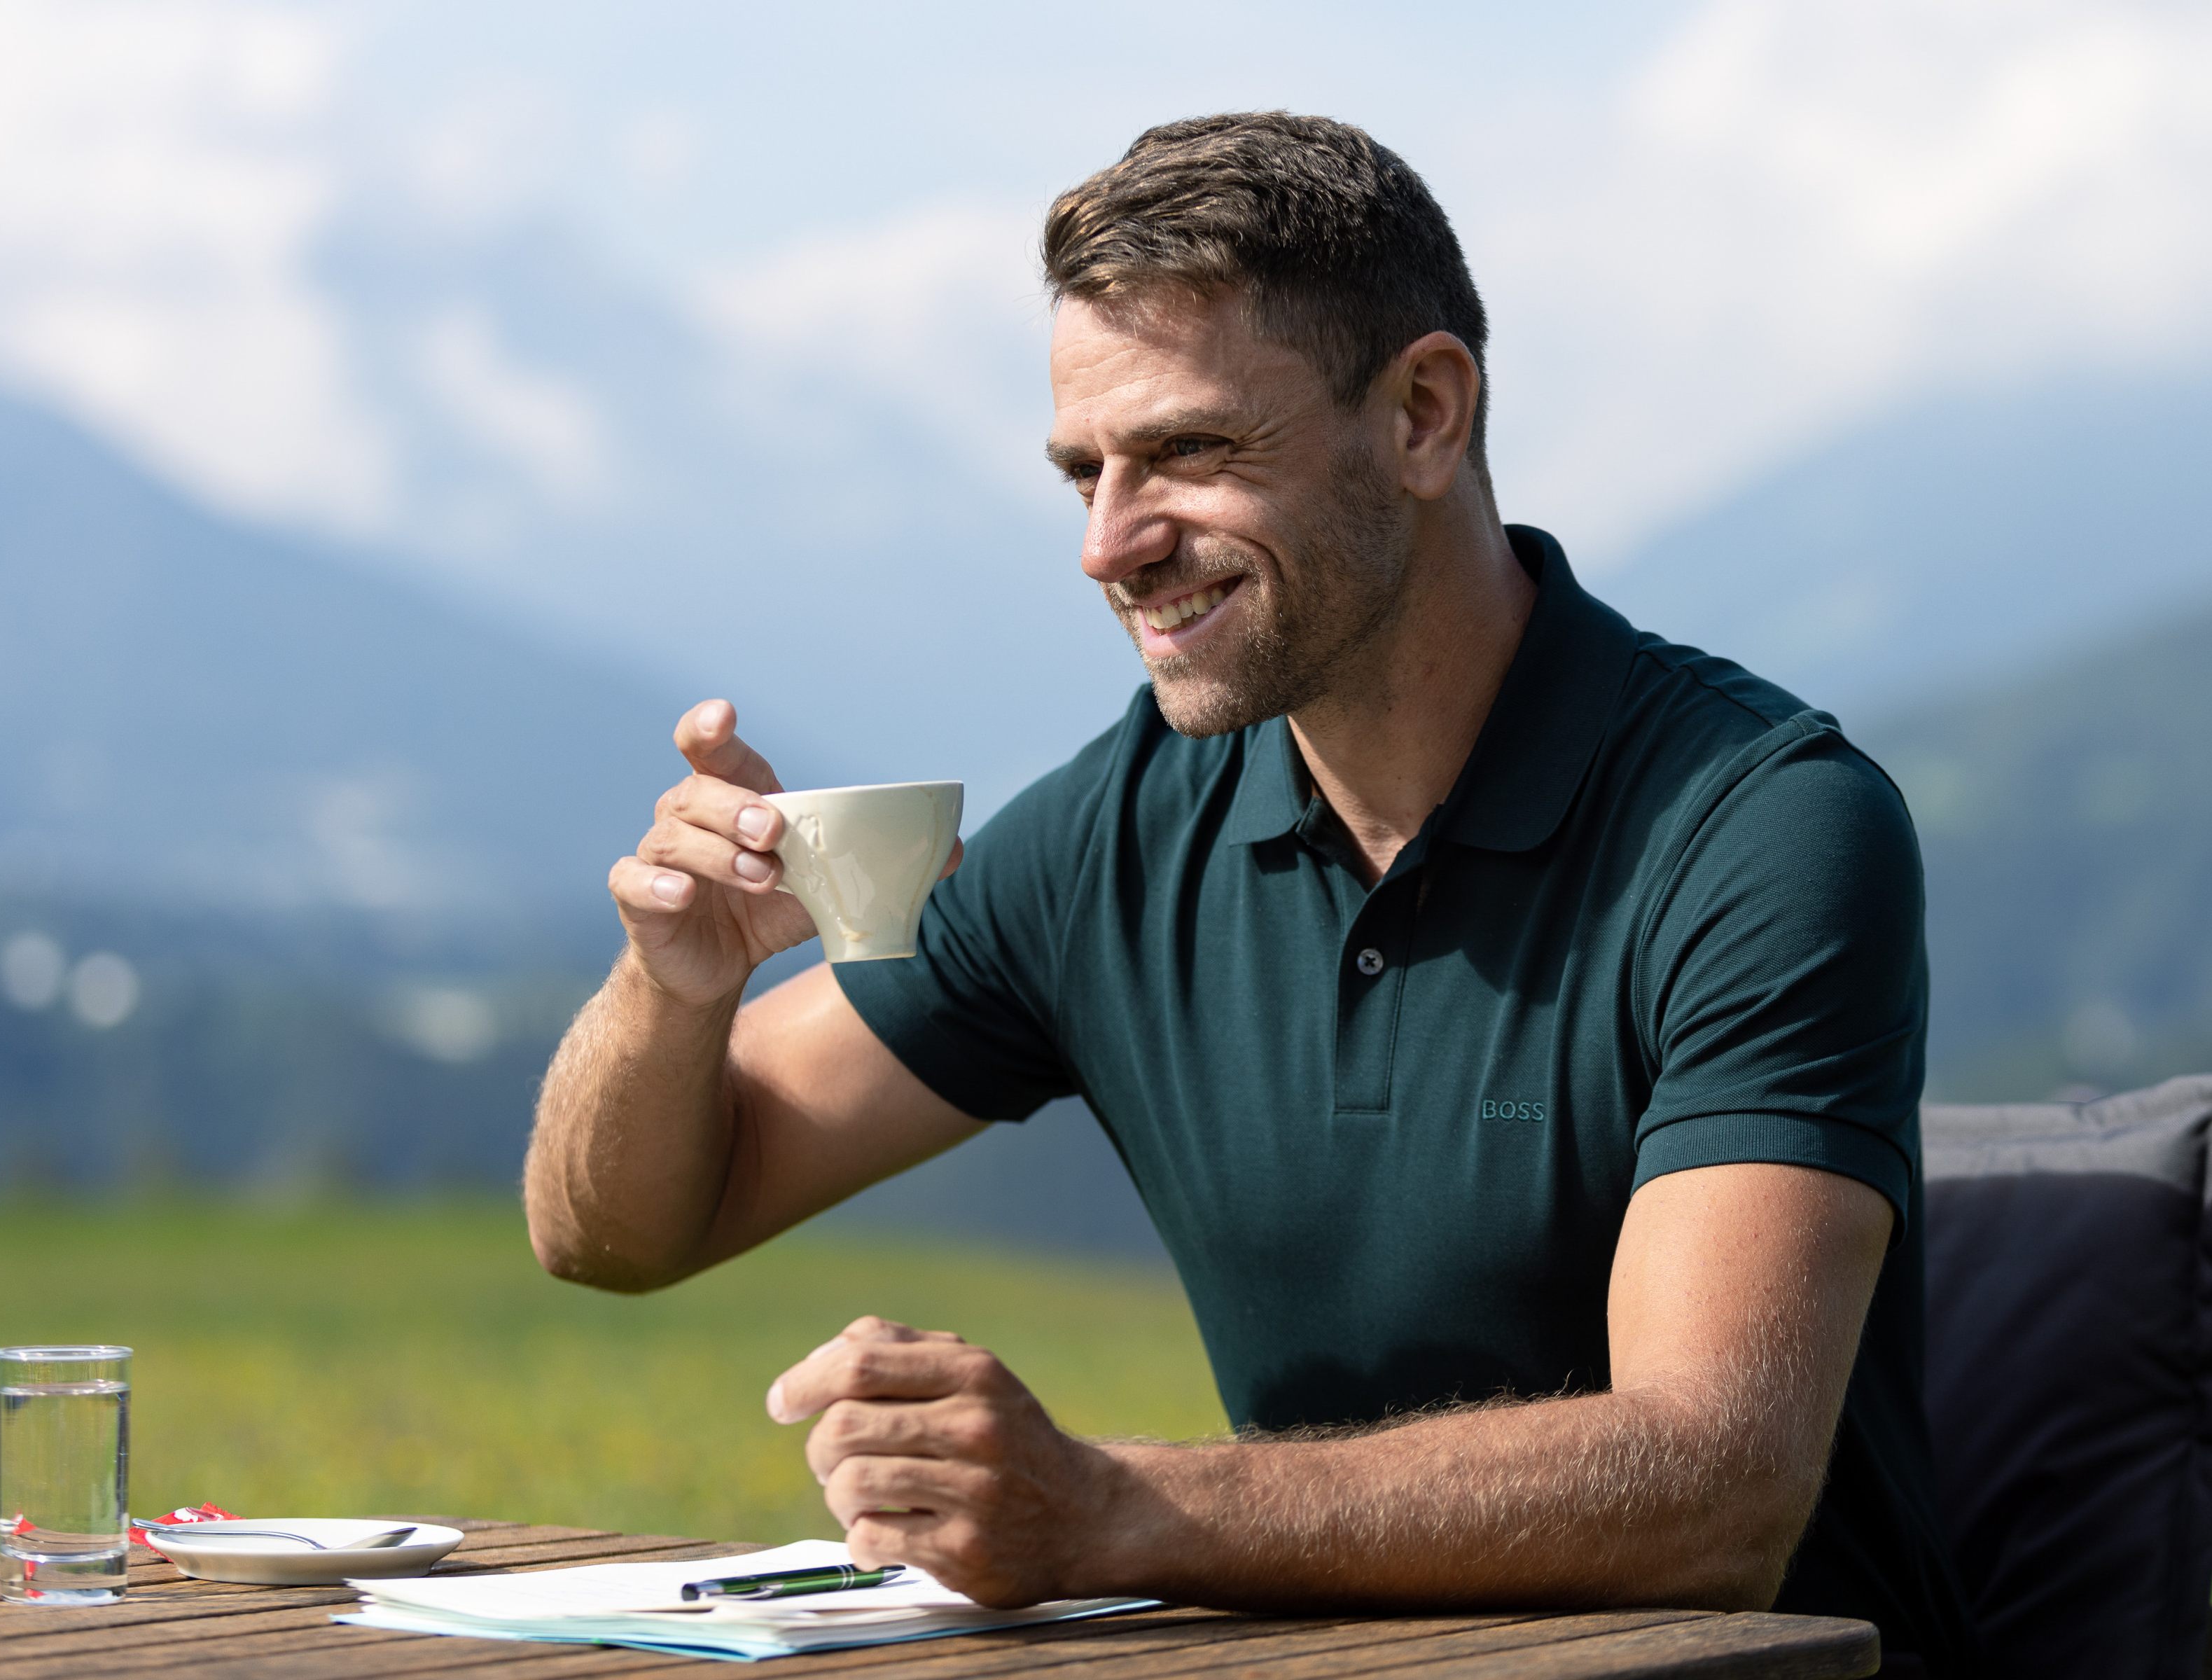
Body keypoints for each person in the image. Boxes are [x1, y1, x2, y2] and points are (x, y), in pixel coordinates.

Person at [525, 112, 1978, 1675]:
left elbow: (1714, 1490)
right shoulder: (1119, 827)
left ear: (1424, 414)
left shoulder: (1758, 826)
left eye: (1192, 452)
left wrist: (1106, 1507)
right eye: (1084, 470)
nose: (1107, 545)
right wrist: (669, 993)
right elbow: (618, 1232)